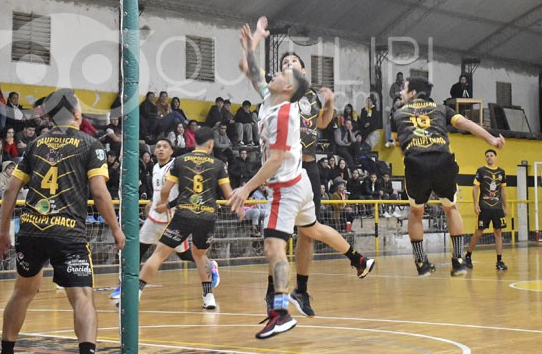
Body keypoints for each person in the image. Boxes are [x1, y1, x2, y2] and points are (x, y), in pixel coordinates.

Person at [228, 17, 374, 339]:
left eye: (283, 71)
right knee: (311, 230)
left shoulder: (285, 112)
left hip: (287, 186)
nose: (277, 72)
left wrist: (246, 187)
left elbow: (276, 159)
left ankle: (280, 311)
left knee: (273, 246)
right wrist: (253, 41)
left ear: (290, 86)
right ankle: (357, 259)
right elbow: (247, 66)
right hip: (301, 182)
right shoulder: (271, 96)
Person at [0, 88, 124, 354]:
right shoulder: (90, 145)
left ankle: (7, 351)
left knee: (22, 293)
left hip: (32, 229)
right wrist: (116, 229)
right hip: (68, 233)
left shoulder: (35, 144)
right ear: (77, 114)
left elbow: (10, 190)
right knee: (82, 298)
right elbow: (99, 193)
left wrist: (3, 231)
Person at [393, 77, 505, 277]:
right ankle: (459, 260)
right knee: (451, 208)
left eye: (404, 89)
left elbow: (400, 148)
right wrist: (492, 139)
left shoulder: (398, 114)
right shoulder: (441, 109)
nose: (401, 92)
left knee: (416, 212)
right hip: (442, 160)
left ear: (412, 93)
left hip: (416, 162)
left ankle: (421, 263)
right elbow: (466, 124)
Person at [108, 138, 221, 302]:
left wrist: (168, 206)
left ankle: (210, 265)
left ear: (171, 151)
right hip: (154, 218)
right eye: (158, 146)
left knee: (186, 256)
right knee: (135, 251)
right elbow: (158, 191)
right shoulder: (155, 167)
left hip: (173, 218)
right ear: (154, 151)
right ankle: (126, 287)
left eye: (165, 147)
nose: (161, 149)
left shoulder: (178, 166)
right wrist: (151, 203)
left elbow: (185, 193)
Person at [136, 128, 232, 310]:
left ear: (194, 142)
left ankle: (137, 293)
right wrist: (239, 206)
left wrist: (164, 205)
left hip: (183, 215)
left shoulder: (179, 161)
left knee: (158, 254)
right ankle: (208, 297)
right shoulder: (218, 164)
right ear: (211, 144)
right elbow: (228, 195)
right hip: (207, 216)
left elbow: (165, 190)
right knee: (200, 255)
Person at [277, 50, 335, 317]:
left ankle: (301, 289)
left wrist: (330, 103)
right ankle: (274, 296)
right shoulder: (278, 94)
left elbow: (321, 122)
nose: (290, 65)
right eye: (285, 63)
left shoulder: (312, 96)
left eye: (294, 62)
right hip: (286, 165)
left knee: (308, 232)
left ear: (304, 70)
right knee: (277, 235)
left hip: (310, 166)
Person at [465, 149, 508, 271]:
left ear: (495, 157)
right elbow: (475, 188)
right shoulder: (481, 171)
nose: (489, 158)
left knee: (498, 232)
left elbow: (503, 191)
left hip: (497, 207)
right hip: (484, 206)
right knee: (479, 232)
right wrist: (475, 204)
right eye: (487, 156)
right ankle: (468, 256)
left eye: (491, 156)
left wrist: (505, 205)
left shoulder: (501, 172)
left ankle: (499, 261)